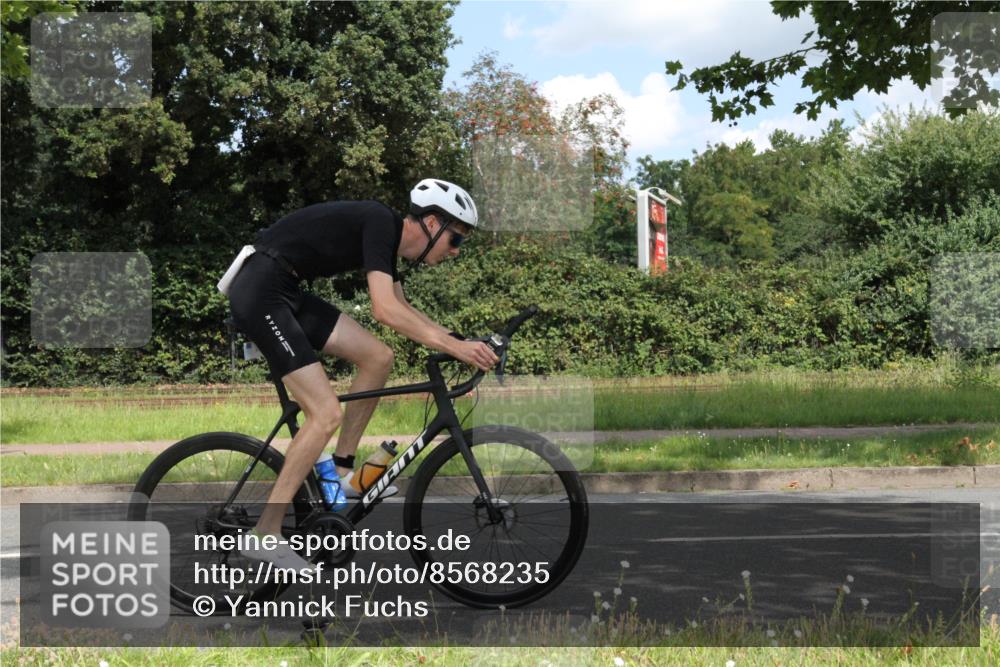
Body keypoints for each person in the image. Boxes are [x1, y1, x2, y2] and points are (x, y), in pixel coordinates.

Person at [225, 179, 498, 568]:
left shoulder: (386, 240)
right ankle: (265, 534)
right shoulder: (380, 220)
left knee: (378, 358)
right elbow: (384, 310)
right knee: (325, 413)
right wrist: (456, 348)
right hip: (261, 289)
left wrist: (458, 341)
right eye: (455, 239)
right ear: (432, 223)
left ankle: (341, 472)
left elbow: (403, 307)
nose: (455, 251)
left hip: (285, 290)